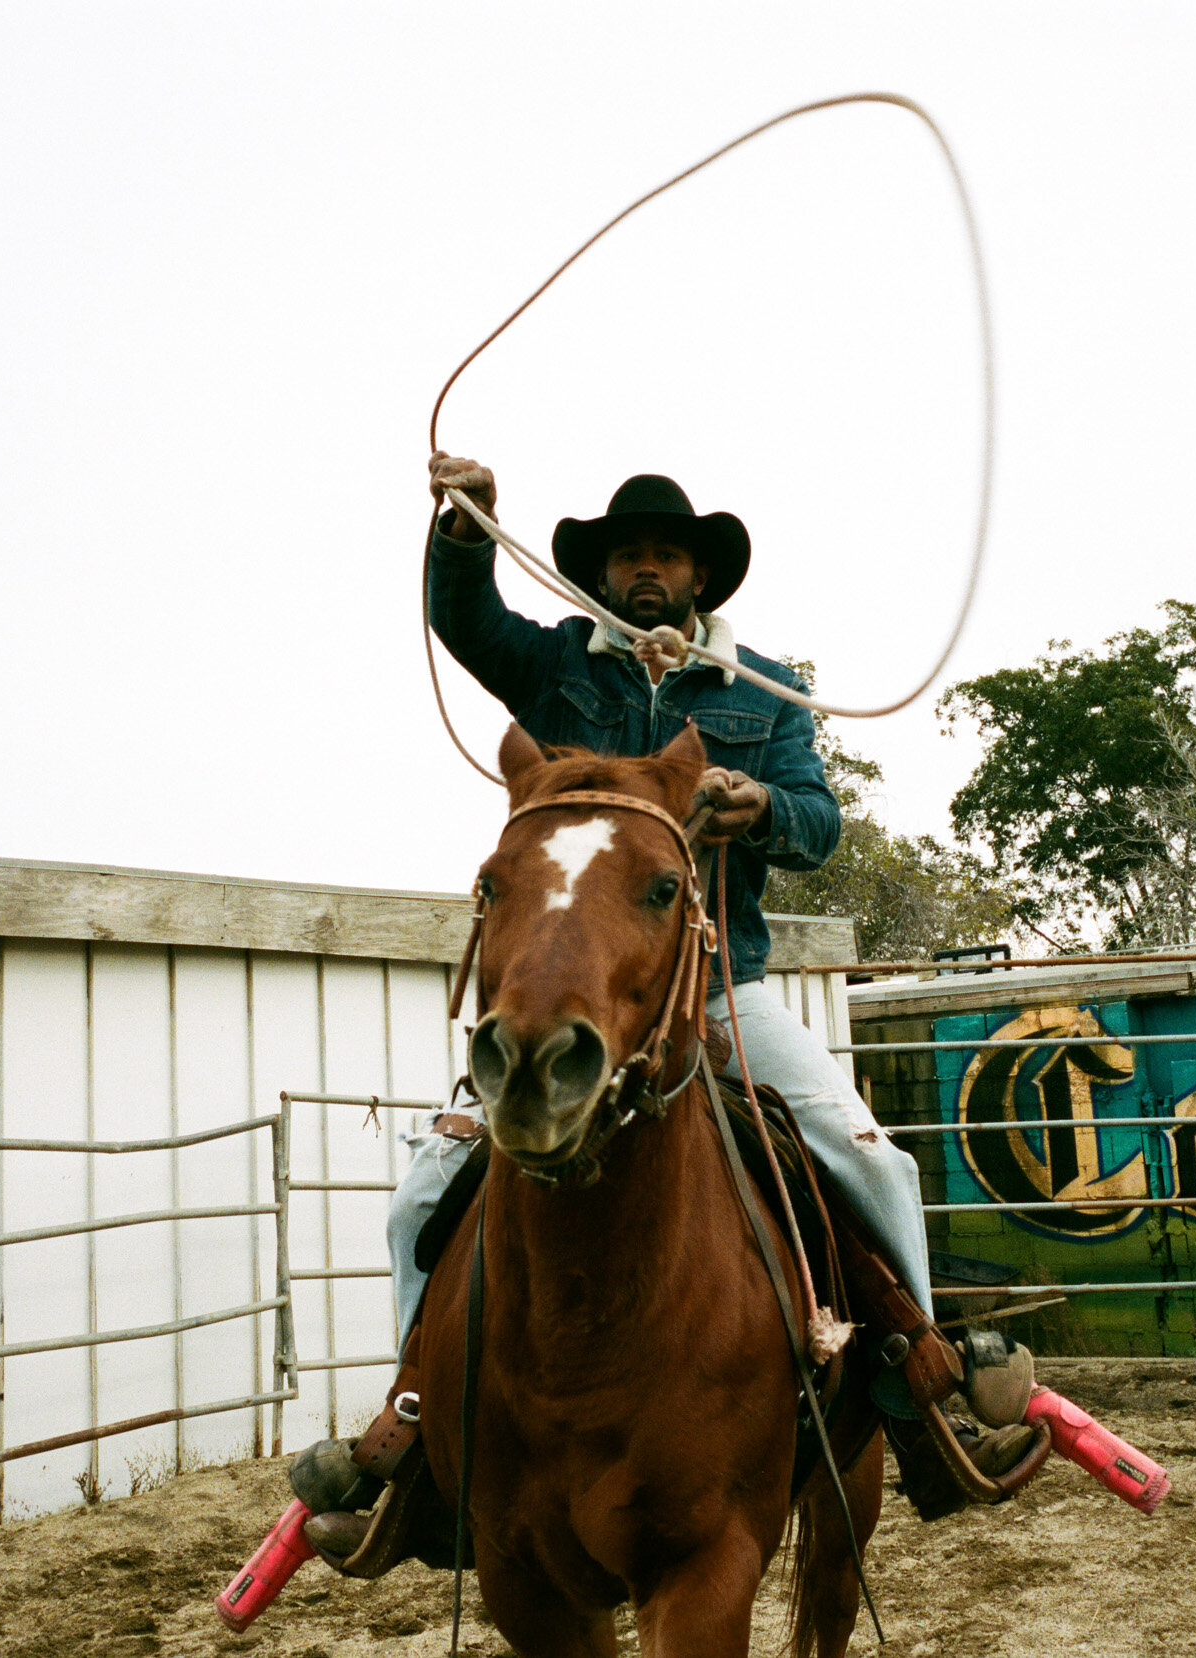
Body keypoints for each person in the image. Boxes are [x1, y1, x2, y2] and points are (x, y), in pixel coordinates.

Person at [290, 456, 1038, 1556]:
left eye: (666, 555)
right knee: (417, 1201)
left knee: (870, 1158)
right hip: (573, 993)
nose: (647, 569)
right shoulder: (549, 665)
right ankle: (415, 1417)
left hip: (720, 985)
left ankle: (918, 1379)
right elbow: (464, 618)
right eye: (627, 555)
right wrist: (464, 529)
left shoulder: (767, 692)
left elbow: (821, 824)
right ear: (601, 572)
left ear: (699, 577)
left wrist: (762, 802)